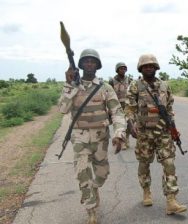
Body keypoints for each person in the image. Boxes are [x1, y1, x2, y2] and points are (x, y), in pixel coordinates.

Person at [58, 49, 126, 224]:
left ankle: (94, 189)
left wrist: (119, 133)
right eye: (86, 61)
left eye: (92, 61)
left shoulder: (105, 88)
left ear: (97, 65)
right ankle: (91, 211)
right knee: (82, 174)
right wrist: (68, 85)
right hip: (80, 138)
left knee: (102, 174)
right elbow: (63, 109)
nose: (89, 64)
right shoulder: (72, 87)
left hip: (101, 138)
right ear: (80, 65)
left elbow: (117, 112)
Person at [125, 54, 187, 215]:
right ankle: (146, 191)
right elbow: (130, 109)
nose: (149, 68)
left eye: (151, 66)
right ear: (141, 68)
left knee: (169, 163)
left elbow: (169, 108)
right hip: (144, 133)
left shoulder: (165, 86)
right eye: (145, 66)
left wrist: (173, 127)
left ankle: (171, 200)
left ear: (156, 67)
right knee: (144, 163)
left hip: (163, 132)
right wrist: (131, 125)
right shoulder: (135, 86)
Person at [109, 62, 132, 150]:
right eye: (121, 68)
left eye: (124, 68)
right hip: (116, 105)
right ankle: (121, 140)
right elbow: (109, 94)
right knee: (119, 124)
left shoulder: (129, 80)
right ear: (117, 70)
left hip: (127, 105)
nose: (123, 70)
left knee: (129, 123)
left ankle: (127, 139)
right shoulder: (112, 81)